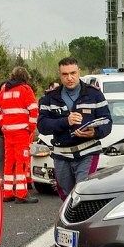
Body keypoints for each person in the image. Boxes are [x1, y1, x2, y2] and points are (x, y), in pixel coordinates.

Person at [38, 57, 112, 200]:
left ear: (79, 72)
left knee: (83, 192)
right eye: (65, 74)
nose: (69, 78)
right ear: (60, 75)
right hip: (61, 154)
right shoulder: (50, 98)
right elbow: (42, 126)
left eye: (73, 73)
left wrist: (95, 132)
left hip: (88, 152)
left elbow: (107, 122)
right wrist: (66, 121)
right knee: (66, 196)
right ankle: (69, 221)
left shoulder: (94, 94)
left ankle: (85, 222)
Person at [0, 67, 39, 202]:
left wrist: (2, 124)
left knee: (9, 162)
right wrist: (31, 127)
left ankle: (7, 193)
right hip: (21, 132)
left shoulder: (4, 90)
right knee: (22, 162)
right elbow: (34, 110)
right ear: (25, 77)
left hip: (8, 132)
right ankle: (21, 194)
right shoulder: (25, 90)